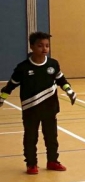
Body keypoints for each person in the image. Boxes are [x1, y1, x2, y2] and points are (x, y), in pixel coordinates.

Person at [1, 32, 76, 174]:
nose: (44, 48)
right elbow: (11, 85)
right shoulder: (23, 68)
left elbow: (61, 80)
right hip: (31, 109)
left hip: (50, 108)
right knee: (30, 137)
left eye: (47, 45)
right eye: (40, 46)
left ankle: (52, 161)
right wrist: (2, 97)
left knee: (51, 137)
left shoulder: (53, 64)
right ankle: (31, 164)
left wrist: (69, 90)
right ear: (32, 47)